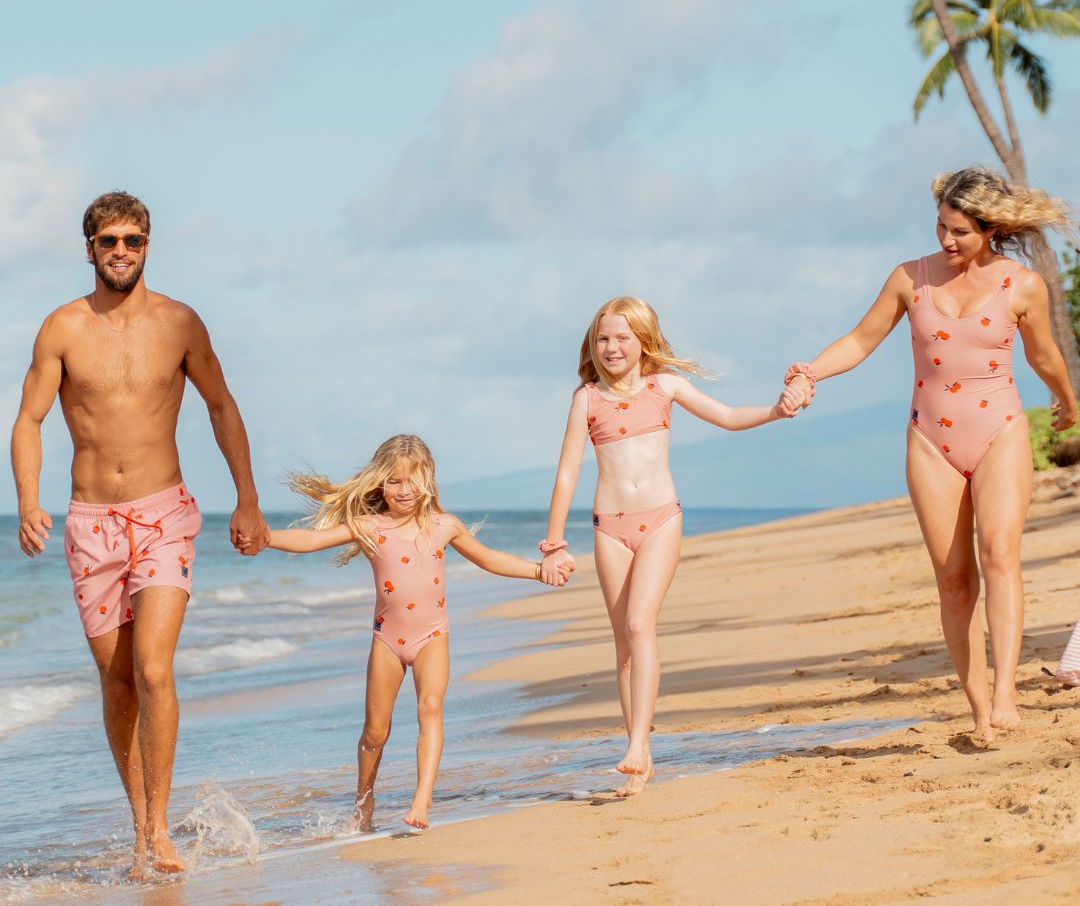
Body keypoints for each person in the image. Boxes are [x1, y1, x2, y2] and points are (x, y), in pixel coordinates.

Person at [11, 191, 270, 878]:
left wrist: (247, 498)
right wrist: (29, 500)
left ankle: (158, 833)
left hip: (163, 515)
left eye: (132, 240)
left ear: (148, 245)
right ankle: (141, 827)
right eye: (108, 241)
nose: (120, 251)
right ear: (89, 249)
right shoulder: (61, 328)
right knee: (118, 680)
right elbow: (30, 420)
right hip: (90, 523)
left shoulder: (180, 323)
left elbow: (221, 404)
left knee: (154, 667)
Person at [784, 167, 1077, 737]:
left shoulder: (1022, 285)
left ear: (990, 229)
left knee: (999, 556)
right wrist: (811, 371)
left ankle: (1006, 694)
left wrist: (1066, 400)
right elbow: (861, 339)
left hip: (1001, 431)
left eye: (961, 231)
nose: (947, 239)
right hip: (930, 439)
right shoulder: (909, 278)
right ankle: (978, 707)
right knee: (954, 579)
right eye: (942, 226)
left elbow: (1042, 356)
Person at [537, 297, 799, 796]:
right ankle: (641, 755)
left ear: (643, 342)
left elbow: (724, 415)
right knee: (624, 646)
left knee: (640, 623)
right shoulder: (586, 399)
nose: (612, 347)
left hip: (661, 519)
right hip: (609, 527)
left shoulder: (665, 387)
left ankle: (635, 747)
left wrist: (774, 411)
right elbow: (567, 470)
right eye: (604, 338)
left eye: (622, 338)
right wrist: (554, 543)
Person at [266, 433, 572, 832]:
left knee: (430, 707)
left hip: (432, 637)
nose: (405, 490)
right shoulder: (368, 526)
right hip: (387, 642)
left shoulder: (444, 526)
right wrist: (264, 537)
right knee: (375, 732)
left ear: (428, 479)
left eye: (413, 480)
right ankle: (364, 803)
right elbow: (311, 539)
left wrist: (537, 570)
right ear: (379, 483)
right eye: (394, 481)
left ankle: (421, 801)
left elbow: (490, 559)